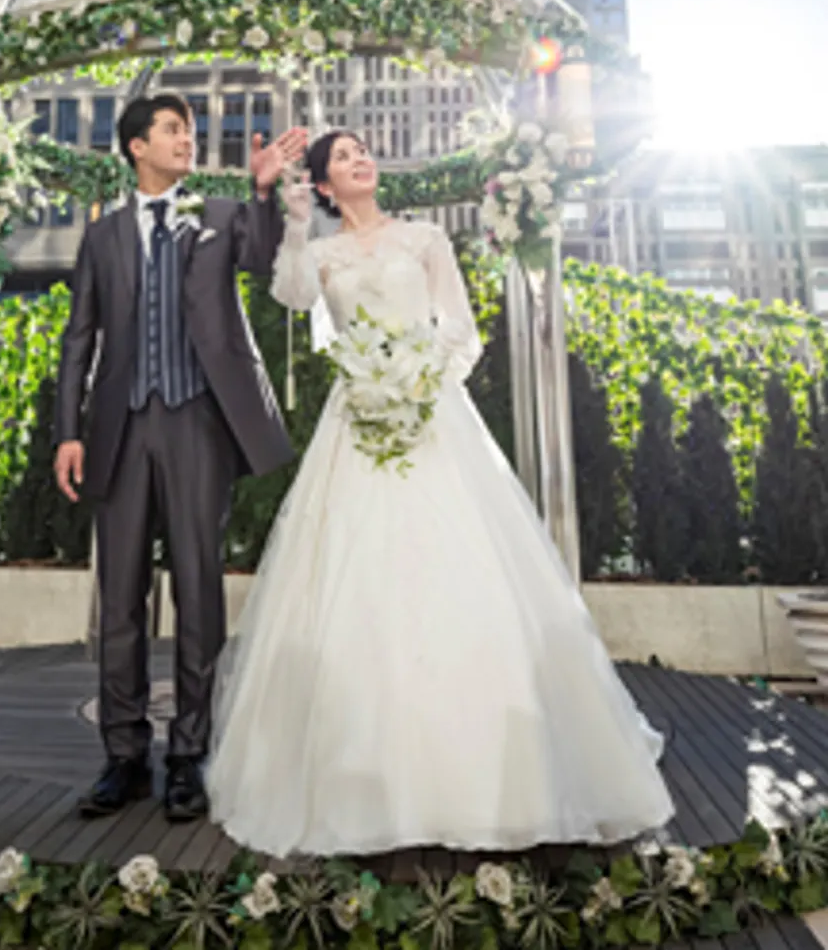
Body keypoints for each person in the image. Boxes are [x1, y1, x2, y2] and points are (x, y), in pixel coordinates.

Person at [206, 128, 675, 857]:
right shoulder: (322, 251)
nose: (360, 160)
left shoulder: (424, 238)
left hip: (429, 410)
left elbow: (460, 328)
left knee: (467, 572)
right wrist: (295, 223)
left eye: (363, 152)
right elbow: (292, 296)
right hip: (355, 415)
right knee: (351, 580)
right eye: (342, 158)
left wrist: (420, 380)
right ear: (325, 184)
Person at [53, 92, 307, 823]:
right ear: (136, 145)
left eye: (191, 131)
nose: (187, 140)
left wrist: (260, 189)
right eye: (172, 129)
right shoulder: (102, 237)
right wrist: (68, 431)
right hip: (121, 427)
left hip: (199, 421)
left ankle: (189, 752)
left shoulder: (221, 214)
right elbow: (80, 337)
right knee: (120, 596)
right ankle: (123, 753)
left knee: (199, 591)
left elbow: (261, 259)